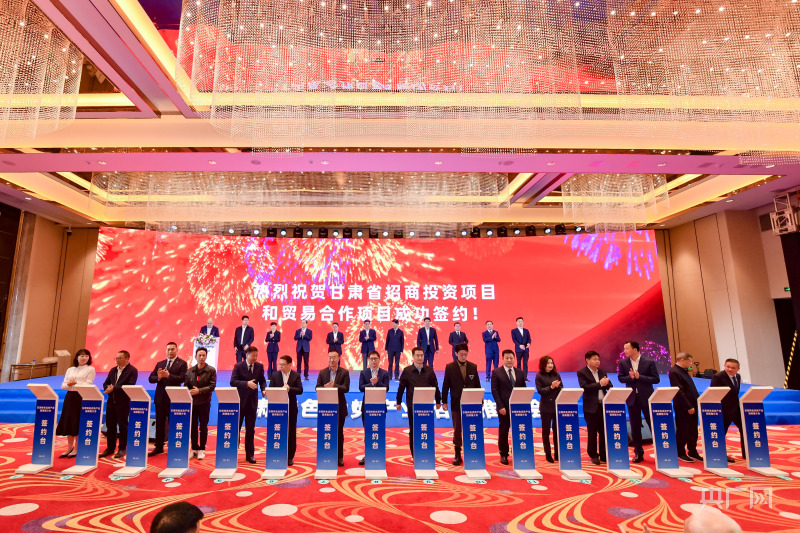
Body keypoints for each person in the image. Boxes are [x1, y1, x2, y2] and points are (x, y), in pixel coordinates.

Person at [618, 340, 660, 463]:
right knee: (635, 427)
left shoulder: (649, 362)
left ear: (635, 349)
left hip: (646, 397)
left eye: (627, 348)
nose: (625, 351)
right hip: (632, 399)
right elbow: (621, 378)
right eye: (624, 348)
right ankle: (638, 453)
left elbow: (656, 379)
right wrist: (630, 377)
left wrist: (639, 377)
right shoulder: (623, 362)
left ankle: (660, 451)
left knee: (652, 424)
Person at [396, 346, 441, 455]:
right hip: (412, 405)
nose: (420, 357)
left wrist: (438, 400)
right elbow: (401, 388)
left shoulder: (429, 370)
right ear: (413, 356)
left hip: (426, 405)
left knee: (426, 427)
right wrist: (398, 402)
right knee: (413, 428)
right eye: (417, 355)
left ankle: (426, 451)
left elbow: (435, 386)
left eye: (421, 355)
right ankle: (414, 453)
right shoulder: (407, 371)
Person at [441, 342, 481, 465]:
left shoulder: (473, 367)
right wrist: (444, 401)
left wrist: (480, 400)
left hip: (471, 403)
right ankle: (457, 453)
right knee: (457, 429)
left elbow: (477, 384)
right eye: (461, 354)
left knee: (471, 427)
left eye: (465, 354)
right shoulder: (450, 367)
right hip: (456, 403)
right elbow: (445, 385)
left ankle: (471, 452)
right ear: (456, 354)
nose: (464, 357)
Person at [148, 342, 187, 456]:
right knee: (159, 423)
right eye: (168, 349)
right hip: (160, 398)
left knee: (173, 423)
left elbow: (183, 378)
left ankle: (174, 446)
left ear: (177, 350)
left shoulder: (182, 363)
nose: (170, 351)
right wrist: (159, 377)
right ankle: (159, 447)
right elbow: (151, 378)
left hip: (173, 398)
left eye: (172, 349)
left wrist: (169, 376)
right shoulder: (160, 363)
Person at [56, 349, 96, 458]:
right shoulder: (70, 369)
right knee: (69, 422)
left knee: (77, 422)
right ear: (77, 357)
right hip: (70, 397)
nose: (84, 358)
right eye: (82, 356)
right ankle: (69, 447)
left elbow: (88, 384)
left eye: (86, 356)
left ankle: (77, 448)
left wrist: (75, 383)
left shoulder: (90, 369)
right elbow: (63, 385)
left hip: (81, 397)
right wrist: (69, 384)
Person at [230, 346, 267, 464]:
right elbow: (233, 382)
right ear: (247, 355)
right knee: (236, 428)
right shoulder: (238, 366)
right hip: (240, 402)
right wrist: (246, 384)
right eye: (253, 355)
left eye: (256, 355)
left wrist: (263, 389)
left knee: (250, 430)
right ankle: (233, 453)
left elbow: (262, 380)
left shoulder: (259, 366)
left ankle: (250, 455)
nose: (255, 358)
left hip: (252, 403)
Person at [99, 350, 138, 459]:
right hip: (111, 401)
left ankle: (122, 448)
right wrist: (107, 388)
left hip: (123, 402)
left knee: (122, 426)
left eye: (120, 358)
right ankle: (110, 448)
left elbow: (130, 385)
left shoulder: (132, 370)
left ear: (127, 359)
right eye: (116, 358)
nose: (117, 360)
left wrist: (114, 388)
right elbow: (106, 383)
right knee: (110, 426)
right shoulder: (113, 370)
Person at [577, 350, 613, 465]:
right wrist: (600, 384)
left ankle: (604, 454)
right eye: (594, 359)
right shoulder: (582, 372)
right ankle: (593, 454)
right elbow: (585, 387)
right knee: (592, 432)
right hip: (591, 407)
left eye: (598, 359)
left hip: (603, 405)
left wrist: (606, 383)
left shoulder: (602, 372)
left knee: (603, 431)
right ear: (587, 360)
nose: (597, 361)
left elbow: (610, 385)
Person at [491, 350, 526, 465]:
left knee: (518, 429)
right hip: (504, 408)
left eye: (511, 358)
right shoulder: (496, 372)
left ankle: (518, 452)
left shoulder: (519, 373)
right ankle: (504, 453)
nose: (509, 360)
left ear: (514, 359)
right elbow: (495, 391)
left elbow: (523, 390)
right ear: (503, 359)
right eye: (507, 358)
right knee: (504, 430)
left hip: (518, 408)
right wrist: (500, 406)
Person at [316, 350, 350, 467]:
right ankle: (326, 455)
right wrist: (325, 388)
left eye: (334, 357)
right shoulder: (323, 372)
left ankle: (339, 457)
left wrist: (334, 386)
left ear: (339, 358)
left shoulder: (344, 372)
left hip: (339, 407)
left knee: (339, 433)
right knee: (326, 431)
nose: (331, 360)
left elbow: (346, 388)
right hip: (326, 408)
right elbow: (317, 387)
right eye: (330, 357)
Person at [358, 350, 390, 465]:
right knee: (368, 431)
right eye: (371, 359)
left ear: (379, 360)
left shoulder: (384, 373)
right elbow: (361, 387)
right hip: (367, 407)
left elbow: (386, 388)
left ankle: (379, 455)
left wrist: (377, 383)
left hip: (380, 407)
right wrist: (371, 384)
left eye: (375, 359)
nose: (373, 361)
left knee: (379, 431)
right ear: (368, 360)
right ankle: (367, 455)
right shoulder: (364, 372)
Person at [269, 355, 303, 466]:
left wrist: (289, 389)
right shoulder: (275, 375)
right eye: (280, 364)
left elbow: (300, 390)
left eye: (283, 365)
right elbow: (271, 389)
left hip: (291, 408)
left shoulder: (296, 375)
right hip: (278, 408)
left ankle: (290, 456)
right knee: (278, 430)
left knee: (291, 432)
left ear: (289, 365)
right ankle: (277, 454)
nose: (281, 367)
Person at [710, 358, 746, 462]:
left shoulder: (737, 376)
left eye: (733, 368)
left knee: (744, 428)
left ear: (738, 369)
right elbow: (713, 393)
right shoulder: (718, 376)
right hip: (723, 409)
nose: (730, 369)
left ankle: (747, 453)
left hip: (735, 408)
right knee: (722, 432)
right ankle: (721, 454)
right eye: (728, 367)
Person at [669, 352, 702, 462]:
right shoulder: (674, 372)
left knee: (693, 430)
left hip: (692, 404)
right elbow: (679, 391)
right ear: (682, 360)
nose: (691, 364)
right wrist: (688, 406)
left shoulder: (683, 370)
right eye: (689, 361)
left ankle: (692, 450)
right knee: (683, 429)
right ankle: (680, 452)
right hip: (683, 406)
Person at [186, 347, 216, 460]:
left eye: (204, 355)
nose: (202, 357)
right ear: (195, 357)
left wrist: (199, 391)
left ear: (206, 357)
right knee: (193, 426)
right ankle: (194, 448)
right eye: (200, 355)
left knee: (203, 426)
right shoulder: (190, 371)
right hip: (192, 403)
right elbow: (186, 385)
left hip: (204, 402)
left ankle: (202, 448)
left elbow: (212, 386)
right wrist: (188, 391)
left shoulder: (211, 370)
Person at [535, 355, 562, 463]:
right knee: (546, 432)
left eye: (552, 363)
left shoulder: (556, 375)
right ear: (543, 365)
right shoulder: (539, 375)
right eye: (548, 363)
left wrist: (557, 386)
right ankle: (548, 454)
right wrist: (551, 387)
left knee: (557, 431)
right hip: (546, 408)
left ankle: (557, 453)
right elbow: (540, 391)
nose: (550, 365)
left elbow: (562, 388)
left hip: (556, 406)